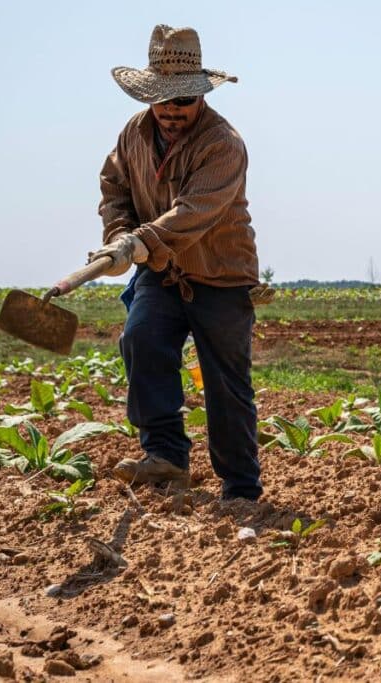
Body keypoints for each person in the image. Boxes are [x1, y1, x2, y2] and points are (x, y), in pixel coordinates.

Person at [90, 24, 262, 501]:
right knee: (140, 339)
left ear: (200, 98)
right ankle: (165, 455)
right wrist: (118, 234)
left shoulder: (223, 144)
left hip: (220, 274)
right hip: (160, 271)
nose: (171, 111)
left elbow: (194, 213)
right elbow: (114, 188)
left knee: (225, 381)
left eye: (182, 101)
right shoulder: (133, 135)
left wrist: (138, 241)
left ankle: (240, 488)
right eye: (163, 101)